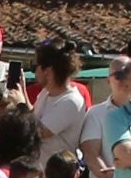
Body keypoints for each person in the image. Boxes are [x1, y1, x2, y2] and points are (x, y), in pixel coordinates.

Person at [77, 55, 131, 178]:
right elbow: (91, 155)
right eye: (119, 74)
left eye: (128, 73)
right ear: (109, 79)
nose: (124, 79)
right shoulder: (96, 114)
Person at [31, 41, 89, 169]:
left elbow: (37, 133)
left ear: (47, 71)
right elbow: (32, 119)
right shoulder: (45, 93)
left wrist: (21, 104)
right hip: (40, 175)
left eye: (35, 66)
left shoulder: (71, 101)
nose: (34, 71)